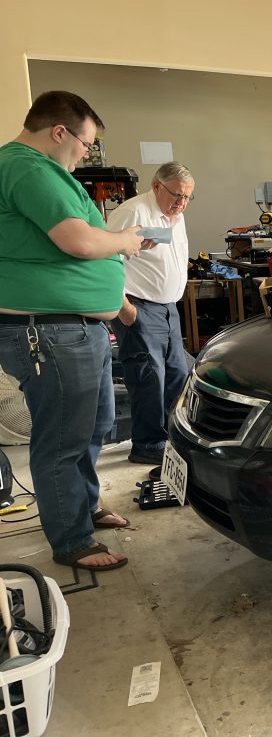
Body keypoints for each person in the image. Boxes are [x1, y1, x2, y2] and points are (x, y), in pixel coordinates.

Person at [0, 90, 145, 571]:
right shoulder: (28, 167)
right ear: (59, 132)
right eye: (86, 143)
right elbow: (79, 241)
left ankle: (82, 506)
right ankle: (72, 540)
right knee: (63, 438)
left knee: (91, 427)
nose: (87, 154)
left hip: (74, 330)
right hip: (50, 334)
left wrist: (116, 303)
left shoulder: (41, 171)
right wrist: (126, 240)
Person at [107, 163, 194, 470]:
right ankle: (147, 444)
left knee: (176, 376)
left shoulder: (176, 215)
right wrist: (125, 309)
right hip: (140, 308)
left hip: (168, 309)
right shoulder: (132, 213)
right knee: (148, 378)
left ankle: (172, 438)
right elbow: (104, 262)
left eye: (187, 197)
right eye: (176, 195)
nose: (181, 203)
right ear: (157, 186)